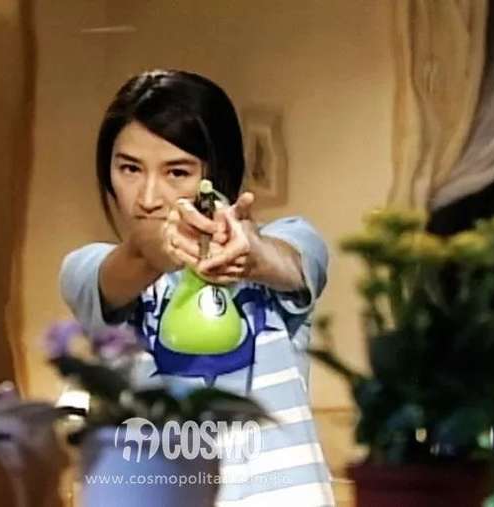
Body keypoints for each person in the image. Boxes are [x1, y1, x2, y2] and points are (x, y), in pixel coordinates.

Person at [60, 69, 334, 505]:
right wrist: (157, 246)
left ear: (216, 172)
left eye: (177, 172)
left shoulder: (291, 241)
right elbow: (128, 260)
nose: (148, 197)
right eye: (129, 168)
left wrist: (253, 256)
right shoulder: (91, 268)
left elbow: (293, 263)